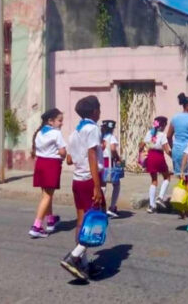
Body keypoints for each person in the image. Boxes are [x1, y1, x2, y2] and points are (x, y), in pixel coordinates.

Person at [60, 96, 104, 281]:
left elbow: (69, 159)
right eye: (99, 109)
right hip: (88, 179)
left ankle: (84, 264)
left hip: (77, 180)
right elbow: (92, 155)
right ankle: (75, 256)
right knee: (96, 219)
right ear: (94, 112)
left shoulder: (74, 132)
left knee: (81, 220)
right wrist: (96, 185)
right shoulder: (92, 128)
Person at [28, 108, 66, 238]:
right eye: (60, 121)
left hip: (40, 164)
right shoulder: (56, 133)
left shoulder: (39, 133)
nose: (61, 123)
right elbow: (62, 151)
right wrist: (63, 155)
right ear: (51, 121)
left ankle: (50, 220)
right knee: (47, 196)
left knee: (46, 194)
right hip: (51, 164)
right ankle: (36, 226)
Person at [139, 116, 172, 213]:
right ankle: (160, 197)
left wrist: (141, 154)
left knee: (154, 180)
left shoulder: (149, 133)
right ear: (163, 125)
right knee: (167, 177)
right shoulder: (162, 135)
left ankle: (151, 205)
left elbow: (141, 145)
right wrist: (174, 157)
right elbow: (166, 149)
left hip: (150, 157)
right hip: (159, 157)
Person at [167, 93, 188, 177]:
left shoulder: (175, 118)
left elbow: (168, 136)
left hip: (176, 150)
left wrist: (173, 147)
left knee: (181, 177)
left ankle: (181, 190)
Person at [101, 120, 122, 218]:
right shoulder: (112, 137)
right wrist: (117, 157)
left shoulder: (101, 137)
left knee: (103, 185)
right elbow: (113, 149)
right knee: (116, 184)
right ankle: (112, 207)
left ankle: (100, 207)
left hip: (102, 162)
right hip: (110, 163)